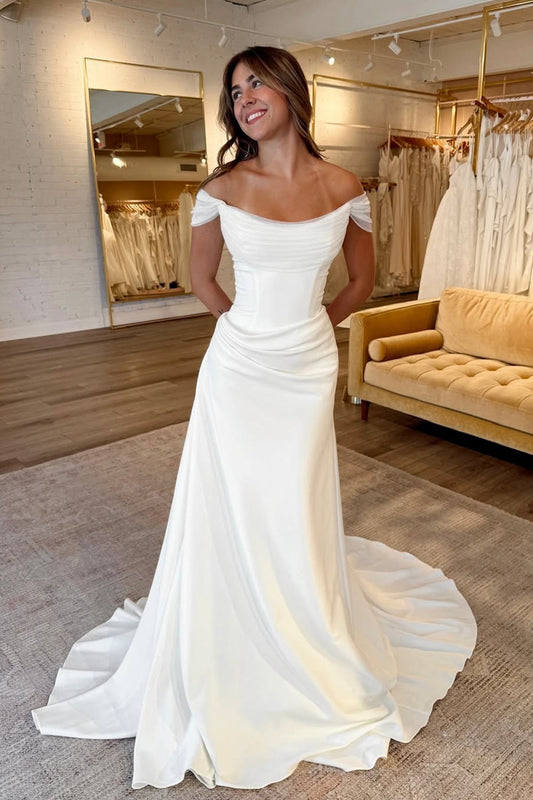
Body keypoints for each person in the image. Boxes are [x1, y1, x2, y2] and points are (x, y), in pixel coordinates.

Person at [32, 47, 477, 791]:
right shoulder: (221, 188)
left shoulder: (345, 186)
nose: (243, 99)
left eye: (256, 83)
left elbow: (362, 280)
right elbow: (201, 277)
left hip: (308, 364)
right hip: (238, 365)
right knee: (235, 491)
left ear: (291, 91)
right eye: (234, 91)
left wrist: (316, 325)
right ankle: (231, 617)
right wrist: (243, 329)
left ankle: (302, 615)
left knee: (293, 494)